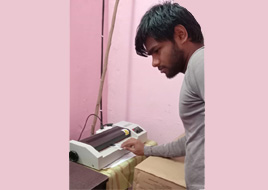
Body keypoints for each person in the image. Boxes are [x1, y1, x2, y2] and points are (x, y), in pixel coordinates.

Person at [121, 2, 204, 190]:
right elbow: (194, 139)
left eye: (157, 50)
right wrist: (147, 150)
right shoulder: (196, 69)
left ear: (181, 35)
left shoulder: (202, 62)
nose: (154, 62)